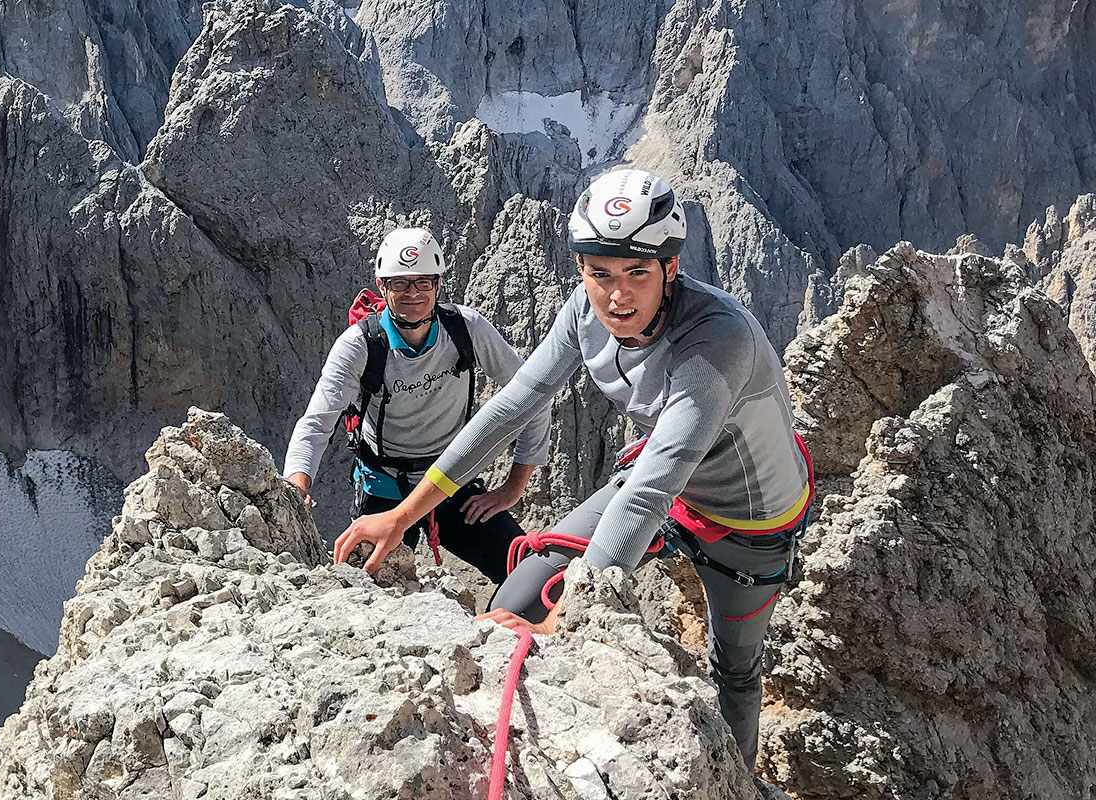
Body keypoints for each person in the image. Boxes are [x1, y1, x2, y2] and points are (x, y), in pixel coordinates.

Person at [333, 170, 813, 769]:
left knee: (735, 671)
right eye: (599, 273)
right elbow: (511, 407)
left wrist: (573, 615)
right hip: (660, 483)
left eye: (637, 272)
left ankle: (734, 781)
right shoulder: (584, 313)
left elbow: (652, 488)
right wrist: (403, 517)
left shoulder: (719, 339)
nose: (616, 296)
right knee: (519, 595)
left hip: (750, 520)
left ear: (671, 267)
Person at [284, 227, 552, 582]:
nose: (412, 293)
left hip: (453, 479)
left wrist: (514, 487)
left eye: (423, 282)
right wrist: (295, 488)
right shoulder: (360, 345)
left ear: (438, 285)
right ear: (382, 286)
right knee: (370, 591)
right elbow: (317, 423)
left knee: (532, 578)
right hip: (384, 486)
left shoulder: (467, 329)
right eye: (399, 283)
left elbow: (533, 395)